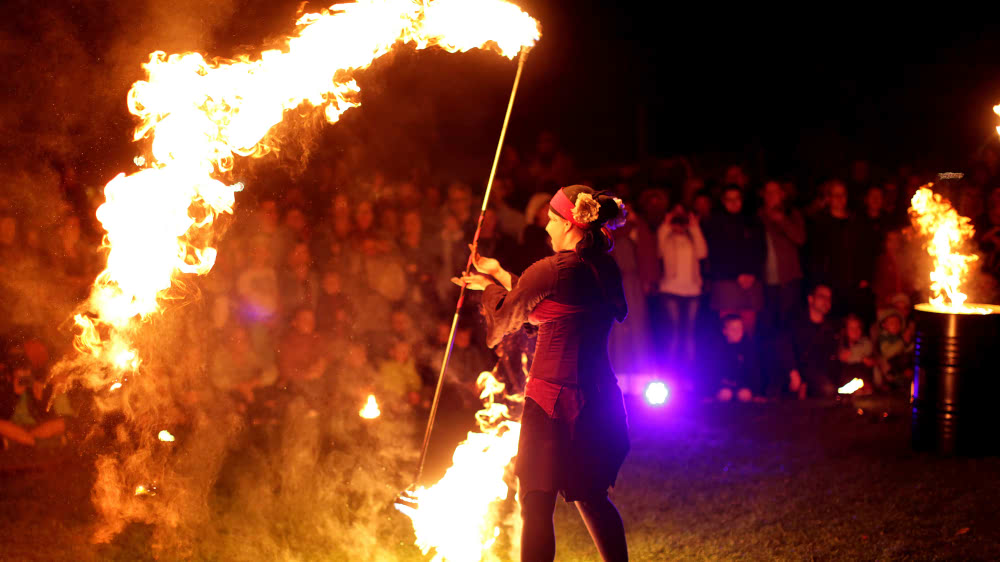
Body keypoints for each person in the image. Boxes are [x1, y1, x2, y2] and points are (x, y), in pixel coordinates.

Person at [452, 185, 629, 562]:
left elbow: (505, 320)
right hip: (599, 400)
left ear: (570, 224)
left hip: (551, 402)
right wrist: (499, 272)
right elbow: (546, 306)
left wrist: (486, 289)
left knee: (535, 501)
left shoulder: (551, 270)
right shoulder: (603, 267)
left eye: (551, 219)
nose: (546, 227)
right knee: (592, 497)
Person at [703, 185, 767, 335]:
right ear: (723, 201)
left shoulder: (753, 222)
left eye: (737, 199)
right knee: (729, 329)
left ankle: (747, 357)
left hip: (751, 284)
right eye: (729, 199)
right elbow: (715, 253)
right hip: (727, 283)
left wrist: (752, 273)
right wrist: (736, 274)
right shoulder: (715, 223)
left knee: (748, 329)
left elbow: (761, 250)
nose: (733, 203)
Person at [656, 206, 708, 365]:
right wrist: (666, 224)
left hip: (692, 290)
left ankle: (690, 368)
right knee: (673, 331)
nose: (679, 223)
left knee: (690, 332)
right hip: (671, 288)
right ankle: (671, 367)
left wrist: (694, 226)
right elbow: (659, 251)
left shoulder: (692, 238)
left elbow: (702, 253)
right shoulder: (667, 238)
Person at [779, 284, 839, 399]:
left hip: (819, 378)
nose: (826, 301)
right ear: (811, 299)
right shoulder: (795, 323)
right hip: (795, 375)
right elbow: (785, 348)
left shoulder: (831, 328)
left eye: (828, 298)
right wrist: (793, 372)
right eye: (822, 297)